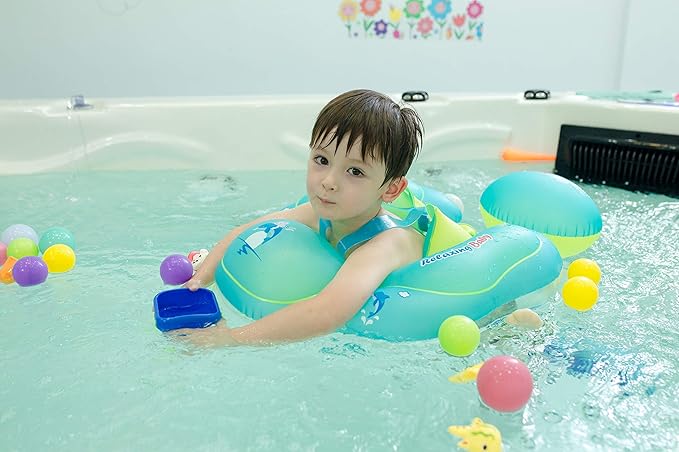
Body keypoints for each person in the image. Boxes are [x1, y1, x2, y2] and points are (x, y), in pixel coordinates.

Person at [174, 89, 541, 347]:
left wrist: (231, 339)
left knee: (489, 334)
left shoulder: (382, 245)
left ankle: (505, 329)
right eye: (322, 160)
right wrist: (204, 276)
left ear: (391, 189)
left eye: (355, 172)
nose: (329, 182)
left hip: (458, 287)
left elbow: (328, 312)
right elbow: (252, 229)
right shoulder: (322, 210)